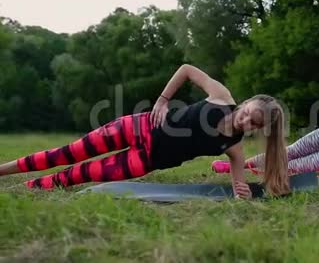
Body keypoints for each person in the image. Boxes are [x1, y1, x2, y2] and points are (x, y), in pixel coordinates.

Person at [0, 64, 289, 198]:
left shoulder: (234, 147)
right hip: (138, 128)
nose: (246, 122)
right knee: (66, 154)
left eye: (254, 124)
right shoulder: (221, 96)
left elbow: (238, 185)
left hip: (146, 161)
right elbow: (187, 69)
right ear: (248, 102)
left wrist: (243, 193)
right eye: (249, 114)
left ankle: (21, 190)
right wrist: (163, 100)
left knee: (78, 175)